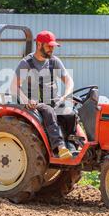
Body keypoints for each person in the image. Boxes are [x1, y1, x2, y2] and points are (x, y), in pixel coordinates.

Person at [10, 30, 76, 160]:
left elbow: (69, 81)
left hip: (52, 99)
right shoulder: (26, 63)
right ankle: (60, 147)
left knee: (70, 113)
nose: (52, 49)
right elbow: (13, 86)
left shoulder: (54, 61)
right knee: (48, 110)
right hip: (34, 103)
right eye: (49, 46)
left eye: (53, 47)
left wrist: (66, 96)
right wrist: (25, 99)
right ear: (39, 44)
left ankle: (72, 146)